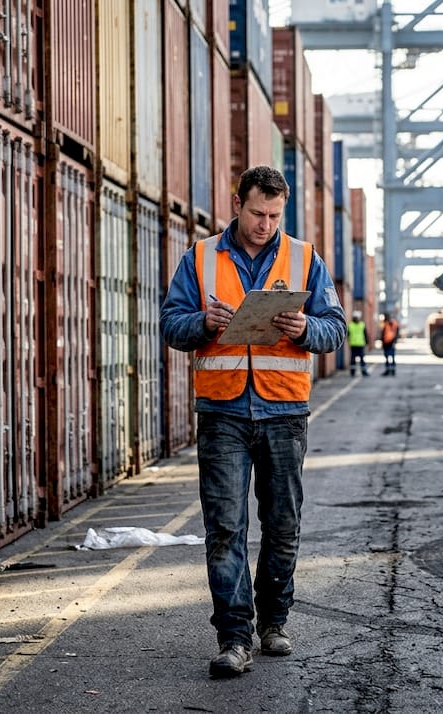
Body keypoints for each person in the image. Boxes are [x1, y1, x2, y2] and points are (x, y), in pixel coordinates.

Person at [160, 166, 346, 679]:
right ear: (236, 202)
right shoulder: (199, 258)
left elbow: (337, 330)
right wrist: (204, 323)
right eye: (257, 213)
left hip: (284, 411)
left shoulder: (305, 258)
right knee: (225, 530)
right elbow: (170, 324)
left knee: (282, 526)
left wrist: (305, 326)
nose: (266, 224)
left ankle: (274, 624)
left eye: (274, 215)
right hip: (222, 412)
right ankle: (234, 637)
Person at [347, 311, 370, 376]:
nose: (357, 318)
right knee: (353, 360)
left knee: (360, 360)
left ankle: (363, 372)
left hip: (359, 345)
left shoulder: (361, 325)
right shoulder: (352, 325)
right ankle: (353, 372)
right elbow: (348, 335)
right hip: (355, 345)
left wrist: (367, 343)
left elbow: (365, 335)